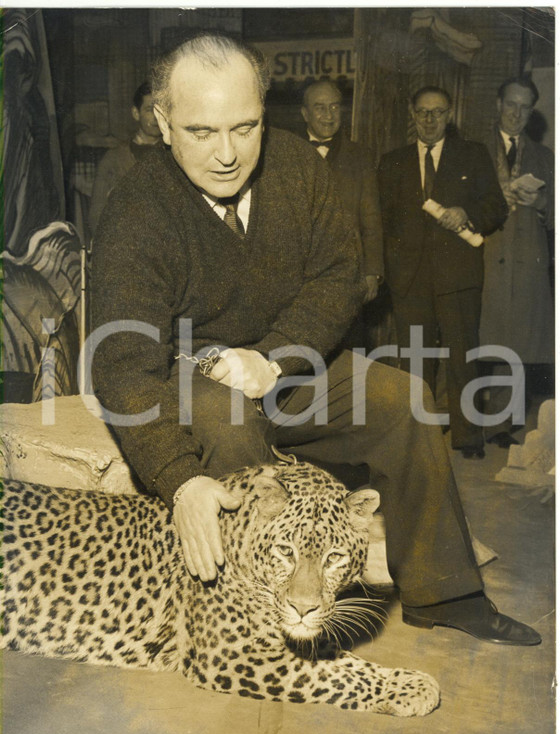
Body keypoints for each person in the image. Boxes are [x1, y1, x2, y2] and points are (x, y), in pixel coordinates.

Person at [91, 33, 539, 646]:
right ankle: (257, 620)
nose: (227, 153)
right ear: (163, 122)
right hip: (191, 372)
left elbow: (338, 277)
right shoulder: (135, 210)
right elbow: (122, 365)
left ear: (264, 113)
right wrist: (179, 480)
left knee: (408, 402)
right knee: (229, 431)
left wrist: (273, 360)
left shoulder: (298, 165)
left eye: (245, 128)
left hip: (287, 359)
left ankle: (445, 592)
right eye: (201, 132)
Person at [378, 87, 508, 460]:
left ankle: (467, 437)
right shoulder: (393, 162)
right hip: (410, 280)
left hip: (459, 278)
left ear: (449, 114)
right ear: (412, 114)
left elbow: (496, 207)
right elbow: (383, 221)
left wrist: (467, 215)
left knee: (462, 358)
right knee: (414, 361)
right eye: (422, 113)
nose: (430, 120)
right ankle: (417, 437)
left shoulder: (473, 154)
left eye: (437, 112)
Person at [479, 77, 555, 448]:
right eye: (511, 104)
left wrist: (541, 204)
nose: (517, 113)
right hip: (484, 254)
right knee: (477, 341)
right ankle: (460, 419)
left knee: (516, 346)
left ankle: (500, 424)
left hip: (526, 261)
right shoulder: (475, 149)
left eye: (525, 107)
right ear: (498, 104)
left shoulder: (546, 157)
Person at [300, 79, 384, 350]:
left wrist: (372, 271)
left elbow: (371, 218)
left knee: (350, 349)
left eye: (334, 107)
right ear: (305, 114)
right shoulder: (287, 153)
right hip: (300, 273)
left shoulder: (360, 156)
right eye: (320, 108)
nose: (328, 115)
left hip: (348, 272)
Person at [89, 81, 162, 233]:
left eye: (160, 110)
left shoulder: (177, 156)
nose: (156, 117)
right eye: (149, 110)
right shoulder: (113, 159)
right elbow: (96, 218)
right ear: (136, 113)